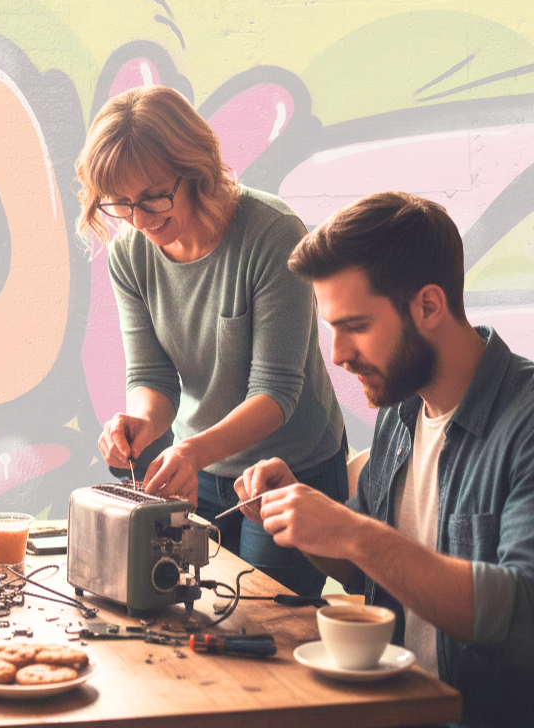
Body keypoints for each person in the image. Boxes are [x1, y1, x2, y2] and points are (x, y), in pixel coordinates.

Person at [235, 191, 533, 727]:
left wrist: (353, 531)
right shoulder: (401, 409)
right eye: (332, 328)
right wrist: (303, 519)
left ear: (428, 306)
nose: (338, 354)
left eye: (356, 326)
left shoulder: (526, 422)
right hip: (395, 709)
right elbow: (362, 571)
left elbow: (521, 614)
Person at [74, 85, 347, 597]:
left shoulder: (273, 233)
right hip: (199, 469)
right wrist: (143, 420)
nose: (140, 219)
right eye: (121, 204)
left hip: (292, 467)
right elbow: (151, 376)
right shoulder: (130, 254)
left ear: (196, 167)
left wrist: (192, 450)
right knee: (187, 619)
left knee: (267, 625)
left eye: (154, 196)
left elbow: (277, 391)